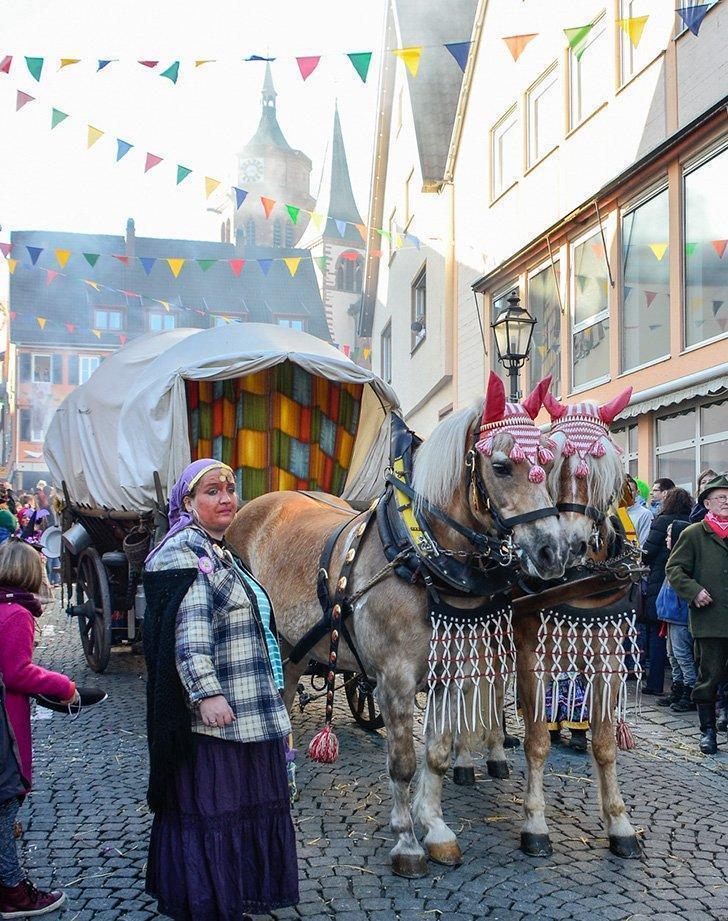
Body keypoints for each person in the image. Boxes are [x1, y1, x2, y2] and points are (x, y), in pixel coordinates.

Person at [143, 459, 298, 921]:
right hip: (217, 721)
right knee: (217, 811)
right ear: (187, 504)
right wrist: (206, 693)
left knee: (243, 809)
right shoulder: (185, 555)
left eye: (230, 488)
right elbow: (188, 635)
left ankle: (233, 895)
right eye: (212, 491)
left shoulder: (220, 550)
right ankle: (211, 902)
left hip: (247, 709)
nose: (226, 497)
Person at [0, 540, 78, 917]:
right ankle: (12, 891)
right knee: (4, 804)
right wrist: (63, 685)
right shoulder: (16, 613)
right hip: (5, 725)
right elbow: (17, 672)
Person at [665, 473, 728, 755]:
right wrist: (694, 591)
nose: (726, 501)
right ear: (707, 503)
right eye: (720, 498)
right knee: (709, 677)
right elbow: (674, 569)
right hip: (710, 619)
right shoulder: (693, 533)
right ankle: (708, 732)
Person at [641, 488, 693, 703]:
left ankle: (673, 687)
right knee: (673, 647)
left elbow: (648, 553)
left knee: (670, 643)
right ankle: (677, 688)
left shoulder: (663, 522)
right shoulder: (689, 521)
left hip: (666, 591)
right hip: (670, 593)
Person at [621, 475, 653, 546]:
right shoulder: (613, 513)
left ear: (637, 492)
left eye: (631, 490)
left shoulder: (645, 514)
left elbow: (644, 543)